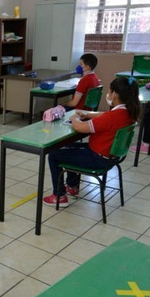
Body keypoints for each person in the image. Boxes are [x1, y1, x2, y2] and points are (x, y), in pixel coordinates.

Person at [44, 77, 141, 207]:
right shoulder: (129, 113)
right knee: (67, 146)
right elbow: (105, 115)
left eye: (110, 91)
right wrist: (88, 114)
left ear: (115, 95)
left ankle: (59, 196)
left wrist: (74, 119)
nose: (108, 94)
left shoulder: (111, 117)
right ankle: (72, 186)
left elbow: (79, 127)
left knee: (54, 155)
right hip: (111, 157)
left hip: (97, 158)